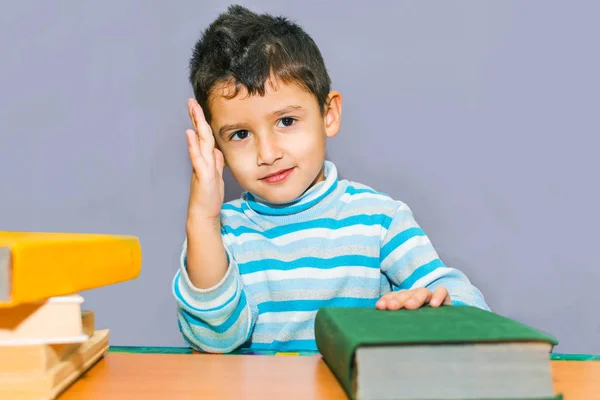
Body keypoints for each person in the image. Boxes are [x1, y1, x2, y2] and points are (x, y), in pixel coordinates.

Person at [172, 4, 489, 353]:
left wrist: (434, 308)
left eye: (287, 122)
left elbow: (467, 307)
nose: (267, 153)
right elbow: (214, 340)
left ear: (329, 115)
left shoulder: (379, 219)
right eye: (240, 135)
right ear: (216, 147)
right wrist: (202, 219)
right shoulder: (220, 235)